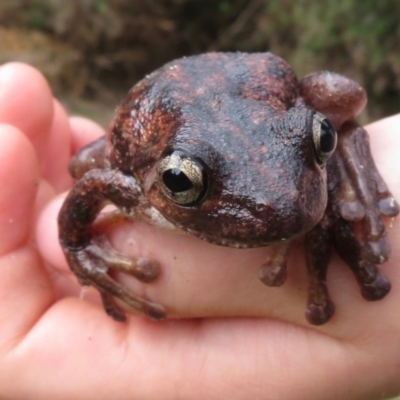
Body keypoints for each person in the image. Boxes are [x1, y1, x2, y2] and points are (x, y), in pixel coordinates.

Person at [0, 62, 399, 400]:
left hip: (255, 83)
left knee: (335, 96)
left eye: (319, 141)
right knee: (82, 165)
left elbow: (325, 114)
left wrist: (337, 141)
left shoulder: (290, 144)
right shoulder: (133, 181)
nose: (281, 203)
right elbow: (91, 183)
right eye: (182, 180)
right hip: (159, 120)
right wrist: (77, 246)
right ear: (157, 176)